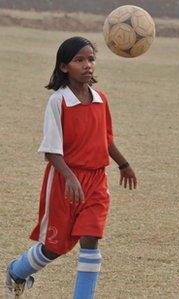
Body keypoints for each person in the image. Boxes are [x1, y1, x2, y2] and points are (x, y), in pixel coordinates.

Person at [5, 36, 137, 299]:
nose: (88, 64)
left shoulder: (101, 99)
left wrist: (123, 163)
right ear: (64, 67)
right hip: (65, 180)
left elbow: (105, 139)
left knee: (91, 239)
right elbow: (51, 150)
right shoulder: (59, 101)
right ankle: (17, 271)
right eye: (79, 60)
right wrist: (70, 178)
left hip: (97, 181)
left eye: (91, 59)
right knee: (55, 247)